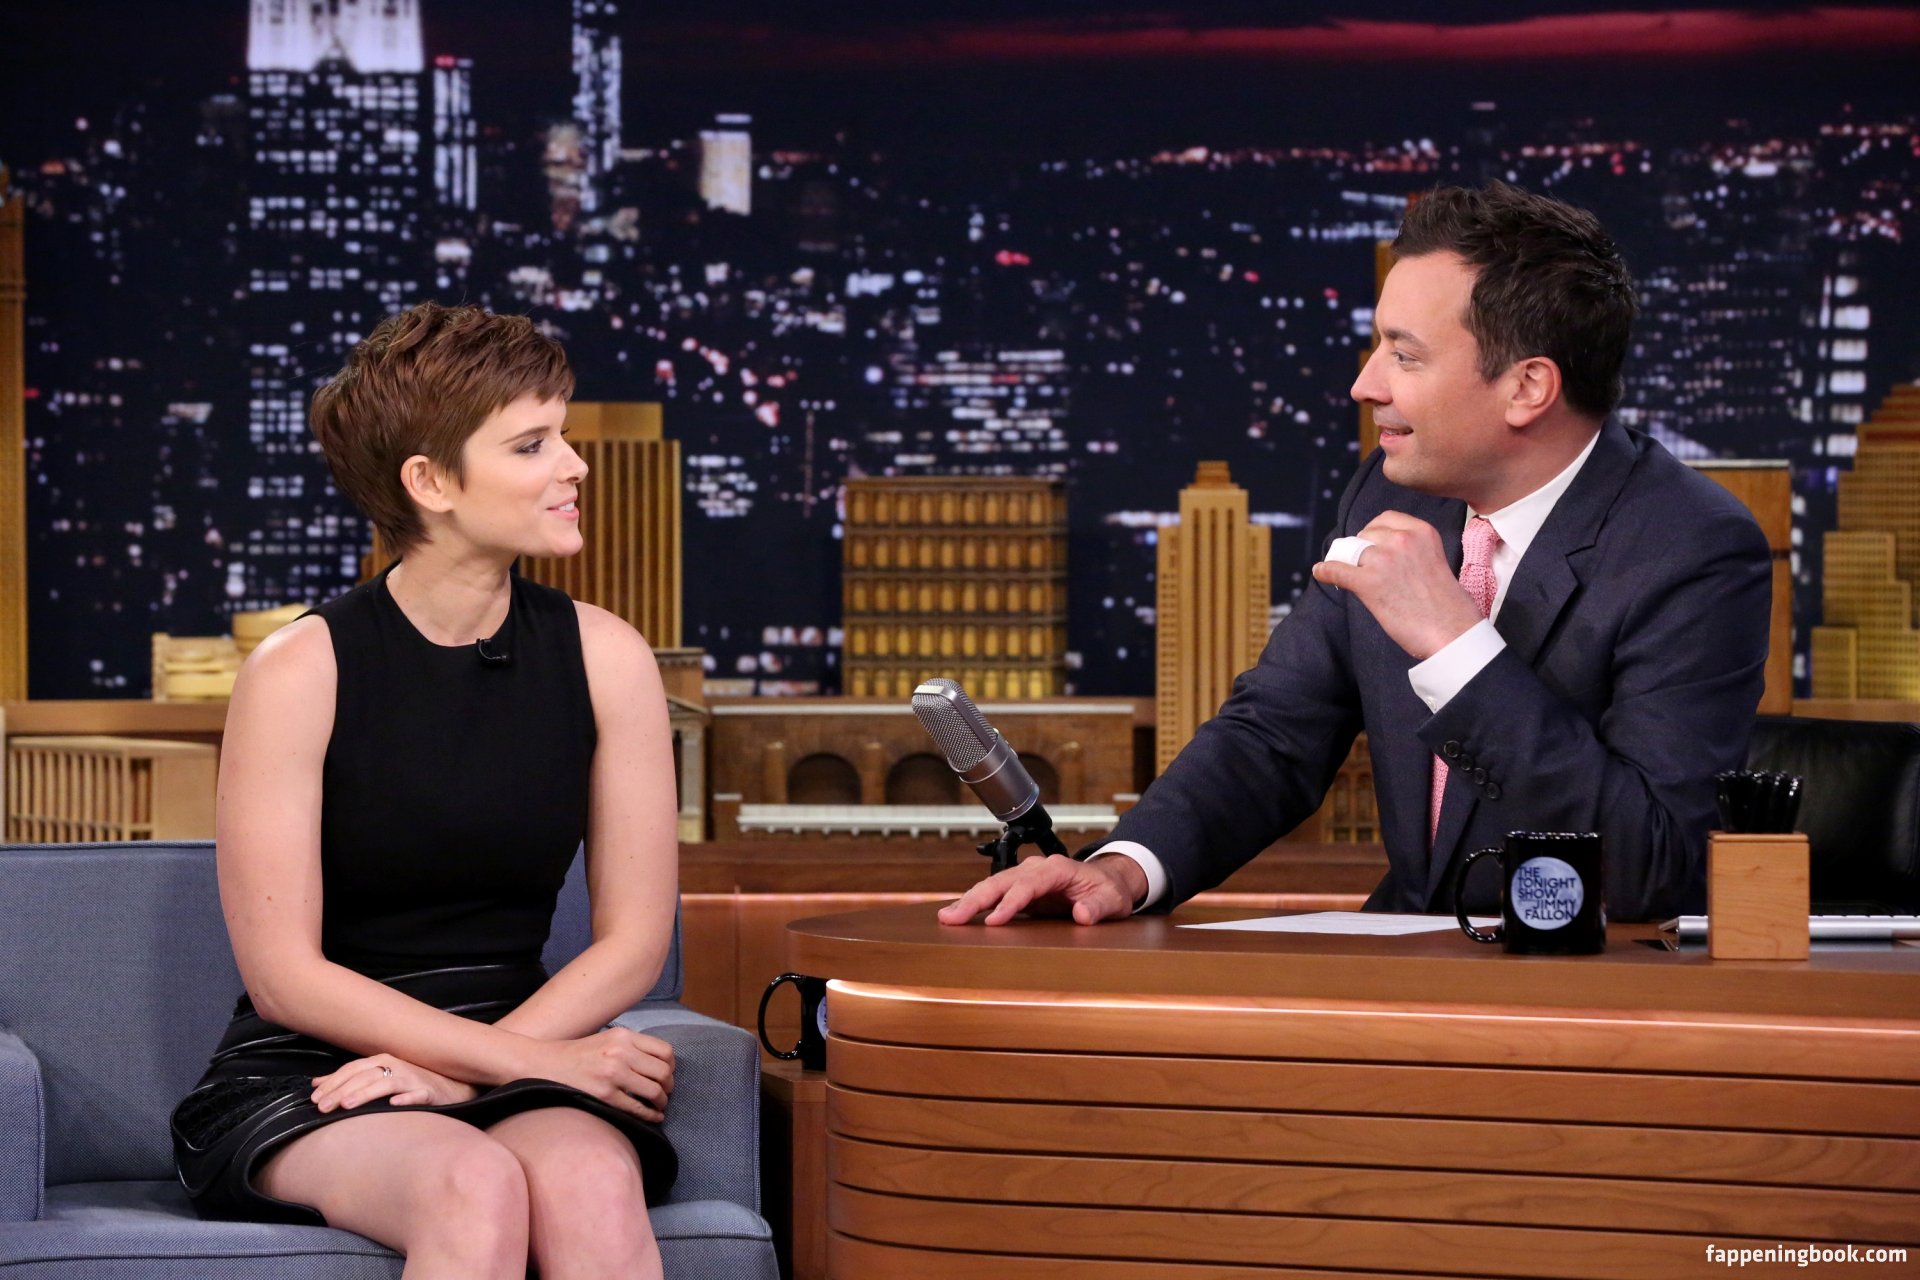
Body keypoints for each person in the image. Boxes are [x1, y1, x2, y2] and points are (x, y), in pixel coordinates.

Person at [940, 181, 1771, 929]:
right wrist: (1123, 869)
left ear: (1527, 387)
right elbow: (1274, 732)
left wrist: (1456, 645)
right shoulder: (1388, 492)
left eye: (1403, 355)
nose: (1365, 385)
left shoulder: (1693, 549)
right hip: (1398, 969)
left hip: (1581, 995)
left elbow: (1654, 864)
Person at [170, 303, 682, 1278]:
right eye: (532, 444)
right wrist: (517, 1065)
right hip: (314, 1067)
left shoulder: (608, 657)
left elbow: (633, 941)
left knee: (590, 1181)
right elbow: (285, 978)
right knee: (469, 1181)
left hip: (523, 1037)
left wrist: (472, 1070)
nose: (574, 465)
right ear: (431, 482)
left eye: (563, 435)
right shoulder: (299, 670)